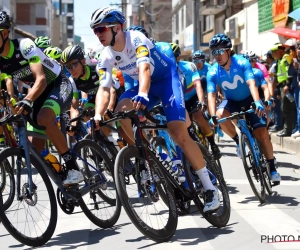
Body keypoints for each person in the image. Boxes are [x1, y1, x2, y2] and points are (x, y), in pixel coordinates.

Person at [90, 7, 220, 212]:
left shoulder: (137, 39)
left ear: (118, 28)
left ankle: (210, 187)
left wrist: (142, 93)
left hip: (165, 80)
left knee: (178, 132)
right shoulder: (105, 56)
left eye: (102, 29)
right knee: (121, 113)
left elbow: (144, 69)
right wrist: (97, 114)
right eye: (95, 31)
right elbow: (104, 88)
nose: (98, 35)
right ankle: (148, 154)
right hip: (142, 86)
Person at [0, 11, 83, 185]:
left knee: (44, 117)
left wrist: (27, 100)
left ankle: (73, 167)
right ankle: (61, 176)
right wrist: (13, 103)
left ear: (5, 33)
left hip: (57, 83)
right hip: (39, 91)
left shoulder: (25, 46)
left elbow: (41, 79)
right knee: (35, 147)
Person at [206, 33, 281, 183]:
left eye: (220, 51)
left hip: (248, 100)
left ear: (228, 51)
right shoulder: (213, 71)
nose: (217, 56)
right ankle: (237, 142)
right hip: (231, 101)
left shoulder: (242, 63)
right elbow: (212, 95)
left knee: (262, 134)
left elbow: (251, 83)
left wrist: (257, 101)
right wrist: (212, 115)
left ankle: (272, 168)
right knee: (220, 115)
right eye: (214, 52)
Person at [271, 44, 295, 137]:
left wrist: (287, 85)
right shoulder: (278, 61)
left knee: (286, 108)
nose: (273, 54)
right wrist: (277, 91)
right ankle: (288, 128)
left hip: (286, 87)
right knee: (283, 108)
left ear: (280, 52)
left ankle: (288, 130)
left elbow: (289, 73)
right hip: (281, 87)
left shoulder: (285, 59)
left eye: (275, 52)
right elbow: (278, 76)